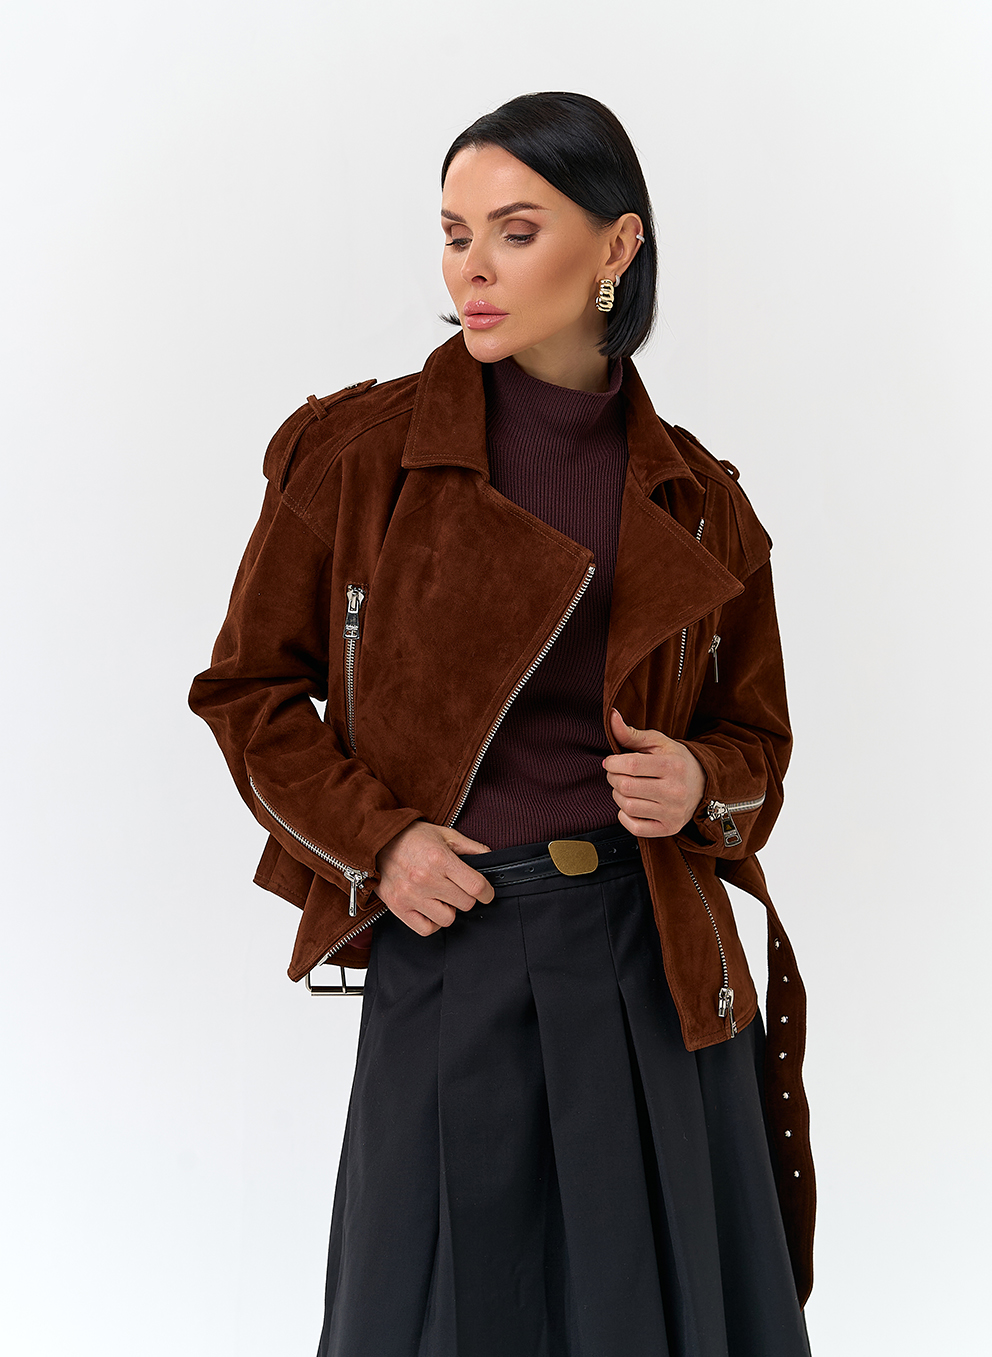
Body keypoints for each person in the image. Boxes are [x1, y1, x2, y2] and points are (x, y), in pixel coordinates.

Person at [189, 91, 814, 1357]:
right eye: (453, 232)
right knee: (441, 1314)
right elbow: (247, 691)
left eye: (514, 231)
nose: (469, 267)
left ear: (616, 247)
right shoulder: (357, 456)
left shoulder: (700, 498)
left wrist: (698, 780)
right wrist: (378, 842)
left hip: (652, 957)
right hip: (455, 943)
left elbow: (756, 742)